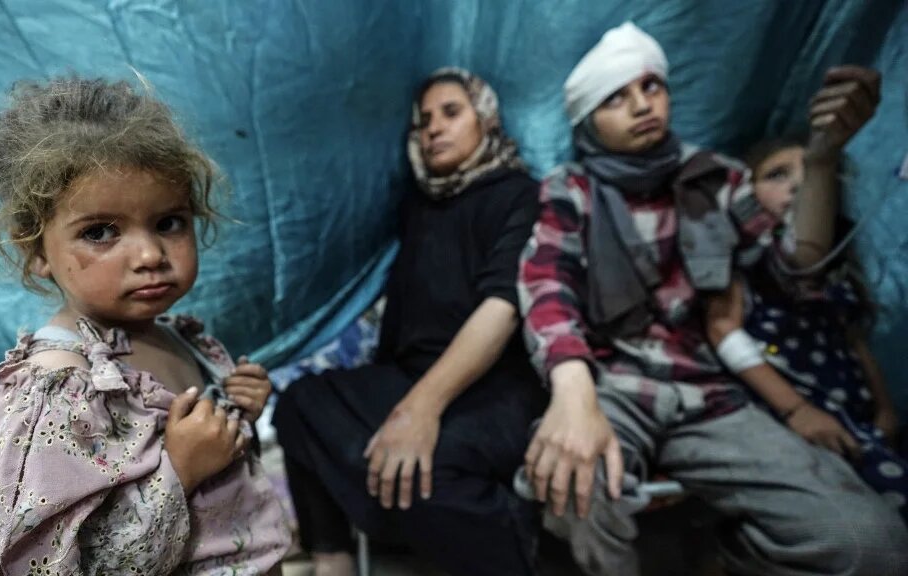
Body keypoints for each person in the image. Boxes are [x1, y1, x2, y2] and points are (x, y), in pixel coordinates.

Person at [517, 22, 908, 575]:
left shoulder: (716, 179)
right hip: (611, 387)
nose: (640, 105)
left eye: (651, 86)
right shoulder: (570, 190)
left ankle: (727, 558)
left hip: (710, 397)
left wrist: (822, 157)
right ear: (588, 121)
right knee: (569, 489)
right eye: (616, 97)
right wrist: (572, 391)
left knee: (873, 543)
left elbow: (798, 272)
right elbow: (547, 289)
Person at [0, 76, 291, 575]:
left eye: (169, 222)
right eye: (100, 232)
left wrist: (235, 411)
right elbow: (56, 566)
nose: (149, 255)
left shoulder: (179, 339)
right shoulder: (57, 393)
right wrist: (178, 472)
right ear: (36, 252)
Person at [273, 68, 546, 576]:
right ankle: (334, 560)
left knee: (426, 473)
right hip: (410, 373)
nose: (434, 129)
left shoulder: (518, 195)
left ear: (485, 119)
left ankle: (515, 549)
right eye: (423, 121)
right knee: (298, 406)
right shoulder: (423, 204)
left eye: (451, 113)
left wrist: (418, 412)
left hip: (497, 385)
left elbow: (502, 309)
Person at [706, 132, 907, 523]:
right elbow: (723, 329)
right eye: (777, 175)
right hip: (791, 419)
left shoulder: (835, 274)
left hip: (859, 420)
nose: (797, 185)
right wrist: (798, 411)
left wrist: (885, 409)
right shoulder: (743, 263)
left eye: (812, 176)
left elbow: (854, 340)